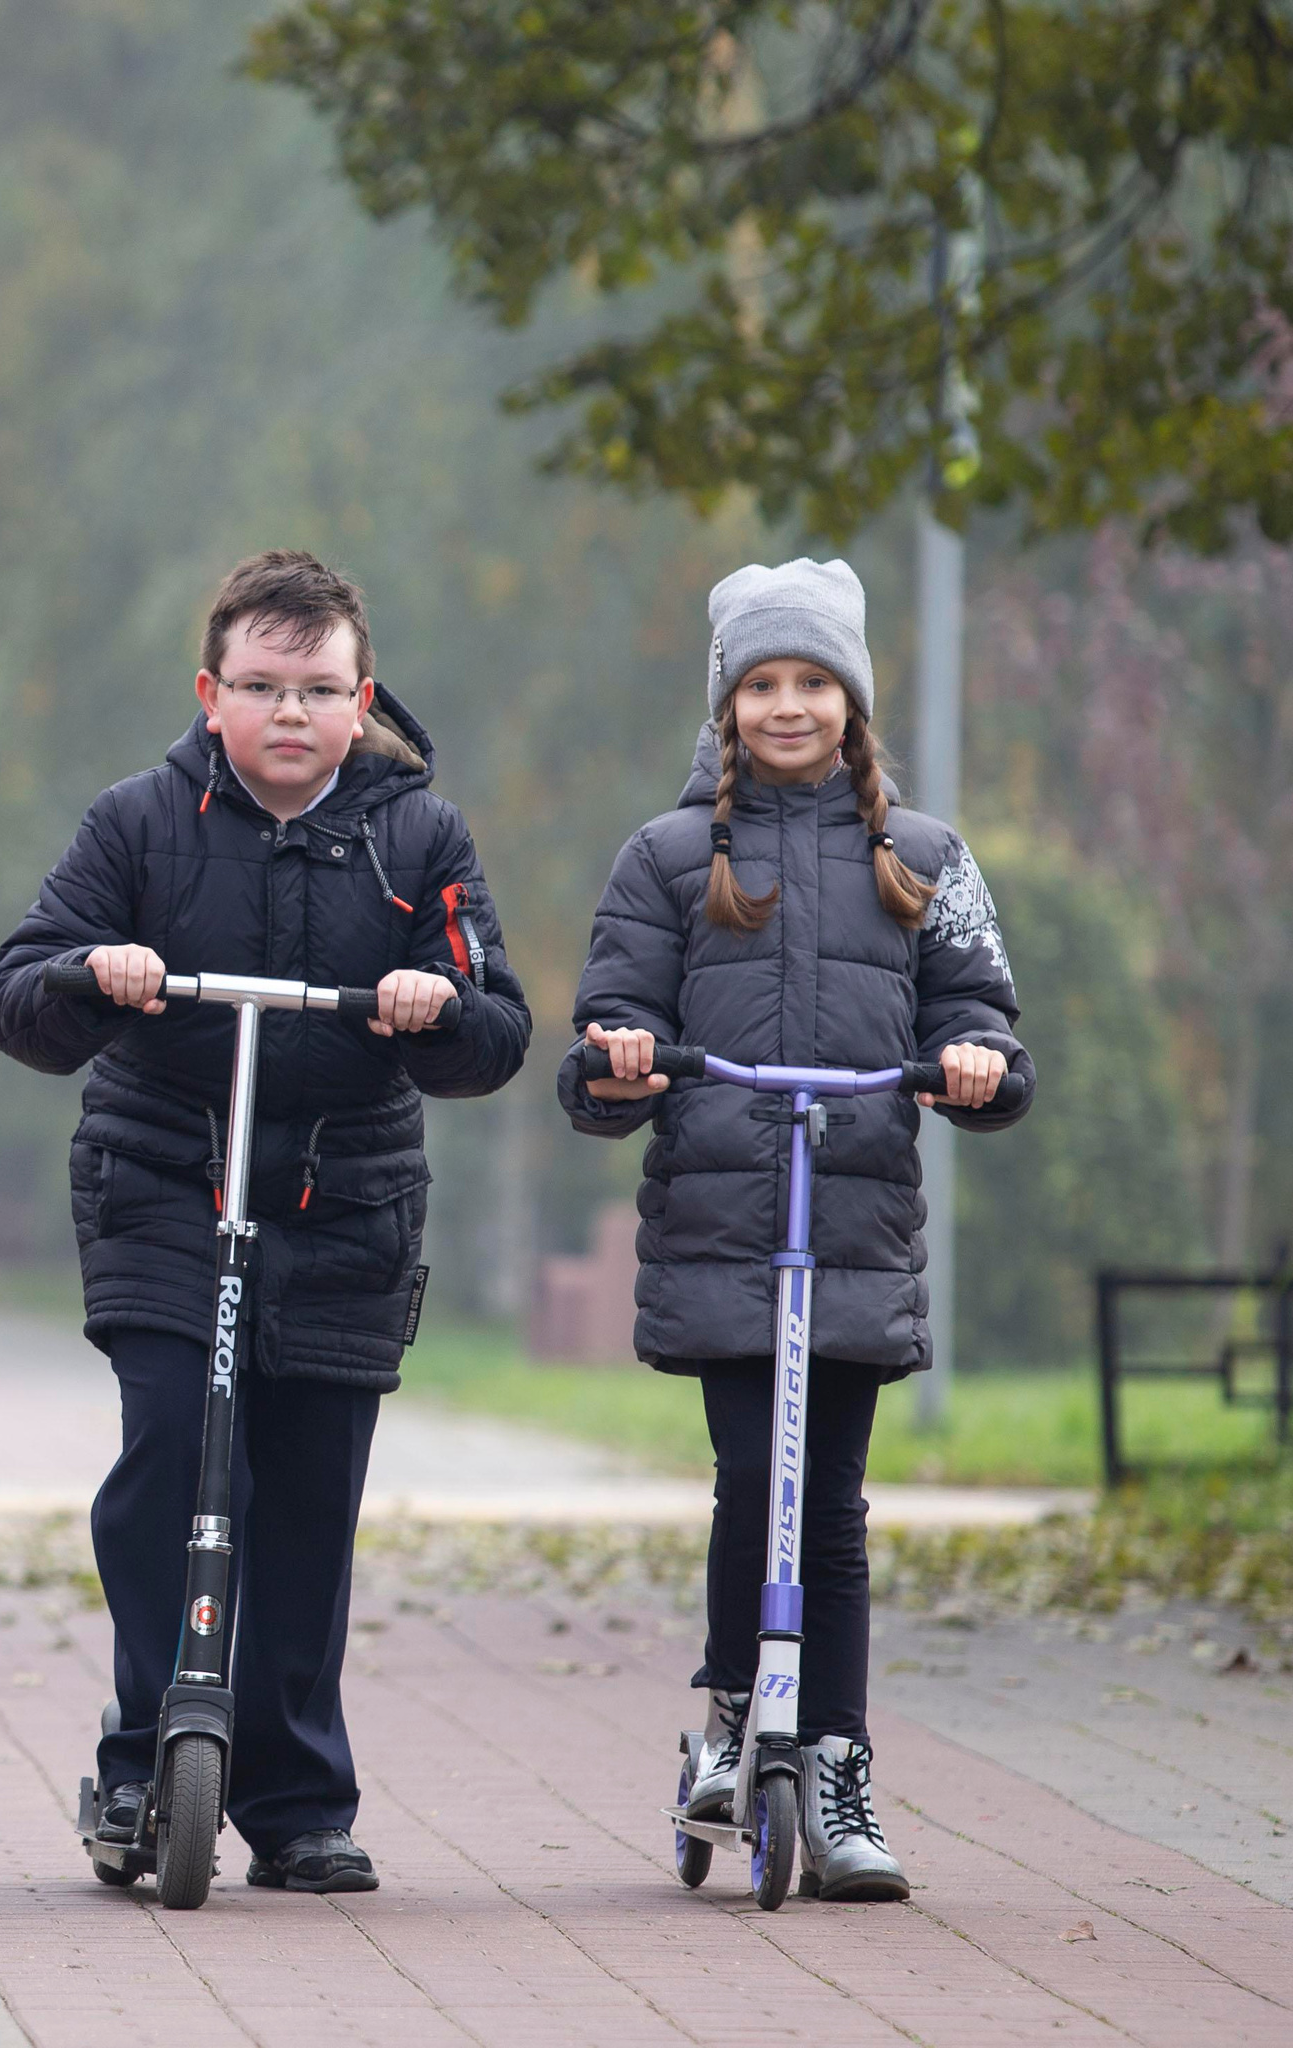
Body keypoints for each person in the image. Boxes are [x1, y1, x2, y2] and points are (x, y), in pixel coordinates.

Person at [0, 549, 531, 1894]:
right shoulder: (138, 823)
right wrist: (94, 973)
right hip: (168, 1181)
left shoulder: (420, 838)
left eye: (320, 689)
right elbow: (17, 997)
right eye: (264, 686)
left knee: (306, 1498)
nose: (292, 712)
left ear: (363, 699)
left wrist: (435, 1007)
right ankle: (140, 1757)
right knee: (170, 1453)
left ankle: (296, 1799)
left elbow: (498, 1029)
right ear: (210, 692)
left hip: (346, 1203)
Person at [556, 557, 1032, 1903]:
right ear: (725, 703)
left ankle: (836, 1759)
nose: (786, 704)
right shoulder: (665, 856)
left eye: (812, 681)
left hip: (857, 1222)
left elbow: (981, 1011)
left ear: (851, 700)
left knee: (830, 1506)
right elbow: (606, 1027)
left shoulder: (925, 857)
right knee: (750, 1480)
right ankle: (730, 1719)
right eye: (761, 682)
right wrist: (620, 1054)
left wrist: (976, 1059)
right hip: (724, 1220)